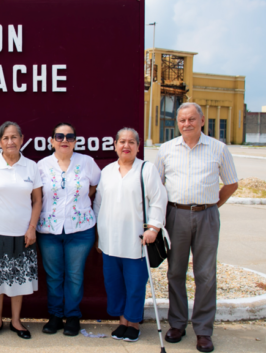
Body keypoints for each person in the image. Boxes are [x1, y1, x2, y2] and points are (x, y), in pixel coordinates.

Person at [156, 102, 238, 353]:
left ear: (202, 121)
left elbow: (231, 184)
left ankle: (203, 330)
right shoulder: (166, 149)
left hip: (207, 216)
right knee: (175, 273)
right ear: (177, 123)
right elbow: (158, 187)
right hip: (176, 215)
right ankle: (177, 324)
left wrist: (212, 206)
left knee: (205, 275)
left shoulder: (218, 149)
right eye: (182, 120)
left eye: (192, 119)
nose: (186, 124)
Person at [93, 127, 167, 343]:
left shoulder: (147, 169)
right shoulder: (107, 171)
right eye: (122, 142)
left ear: (138, 146)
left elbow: (159, 200)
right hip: (110, 240)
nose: (126, 145)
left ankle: (133, 323)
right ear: (115, 145)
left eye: (131, 142)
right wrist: (99, 235)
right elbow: (98, 204)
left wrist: (153, 228)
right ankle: (122, 321)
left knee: (135, 284)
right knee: (113, 283)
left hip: (137, 240)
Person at [0, 121, 43, 340]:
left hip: (23, 232)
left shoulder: (32, 166)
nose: (10, 141)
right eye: (5, 138)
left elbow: (38, 200)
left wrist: (32, 228)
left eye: (14, 137)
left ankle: (16, 321)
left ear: (22, 140)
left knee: (18, 279)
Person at [36, 122, 101, 336]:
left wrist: (79, 202)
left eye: (70, 136)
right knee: (54, 275)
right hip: (49, 230)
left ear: (75, 140)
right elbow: (36, 196)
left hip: (81, 230)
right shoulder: (42, 165)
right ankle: (55, 315)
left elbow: (96, 186)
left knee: (75, 275)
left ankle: (72, 316)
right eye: (60, 136)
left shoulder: (87, 162)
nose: (65, 140)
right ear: (52, 140)